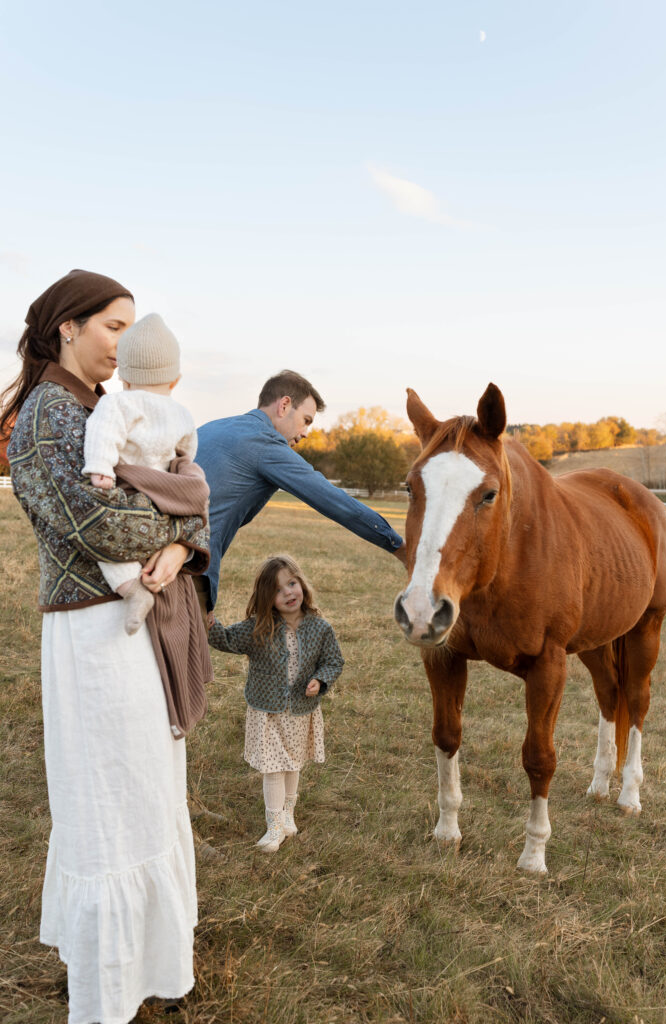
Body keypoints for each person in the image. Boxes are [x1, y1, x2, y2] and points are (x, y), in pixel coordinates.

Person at [2, 270, 209, 1024]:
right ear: (68, 328)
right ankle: (105, 988)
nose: (123, 342)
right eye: (112, 326)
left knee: (147, 795)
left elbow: (188, 491)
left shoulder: (108, 408)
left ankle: (153, 966)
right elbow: (99, 525)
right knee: (111, 806)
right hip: (94, 631)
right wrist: (184, 526)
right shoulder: (48, 415)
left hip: (139, 624)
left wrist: (185, 546)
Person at [194, 369, 407, 619]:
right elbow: (333, 500)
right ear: (284, 405)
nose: (306, 433)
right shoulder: (265, 444)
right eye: (306, 420)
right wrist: (398, 546)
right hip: (187, 569)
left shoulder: (209, 428)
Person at [208, 553, 344, 852]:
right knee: (273, 769)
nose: (288, 593)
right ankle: (274, 828)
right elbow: (226, 640)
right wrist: (208, 620)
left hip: (300, 710)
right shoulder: (260, 627)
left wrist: (320, 680)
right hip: (266, 711)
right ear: (267, 598)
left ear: (302, 584)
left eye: (292, 584)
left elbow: (333, 661)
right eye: (279, 591)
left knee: (293, 763)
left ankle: (287, 816)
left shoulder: (319, 628)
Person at [83, 312, 198, 635]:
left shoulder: (117, 404)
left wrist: (100, 470)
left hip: (128, 487)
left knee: (106, 545)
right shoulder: (182, 413)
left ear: (125, 378)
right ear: (174, 380)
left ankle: (131, 590)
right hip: (164, 494)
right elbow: (187, 455)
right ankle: (152, 579)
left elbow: (102, 436)